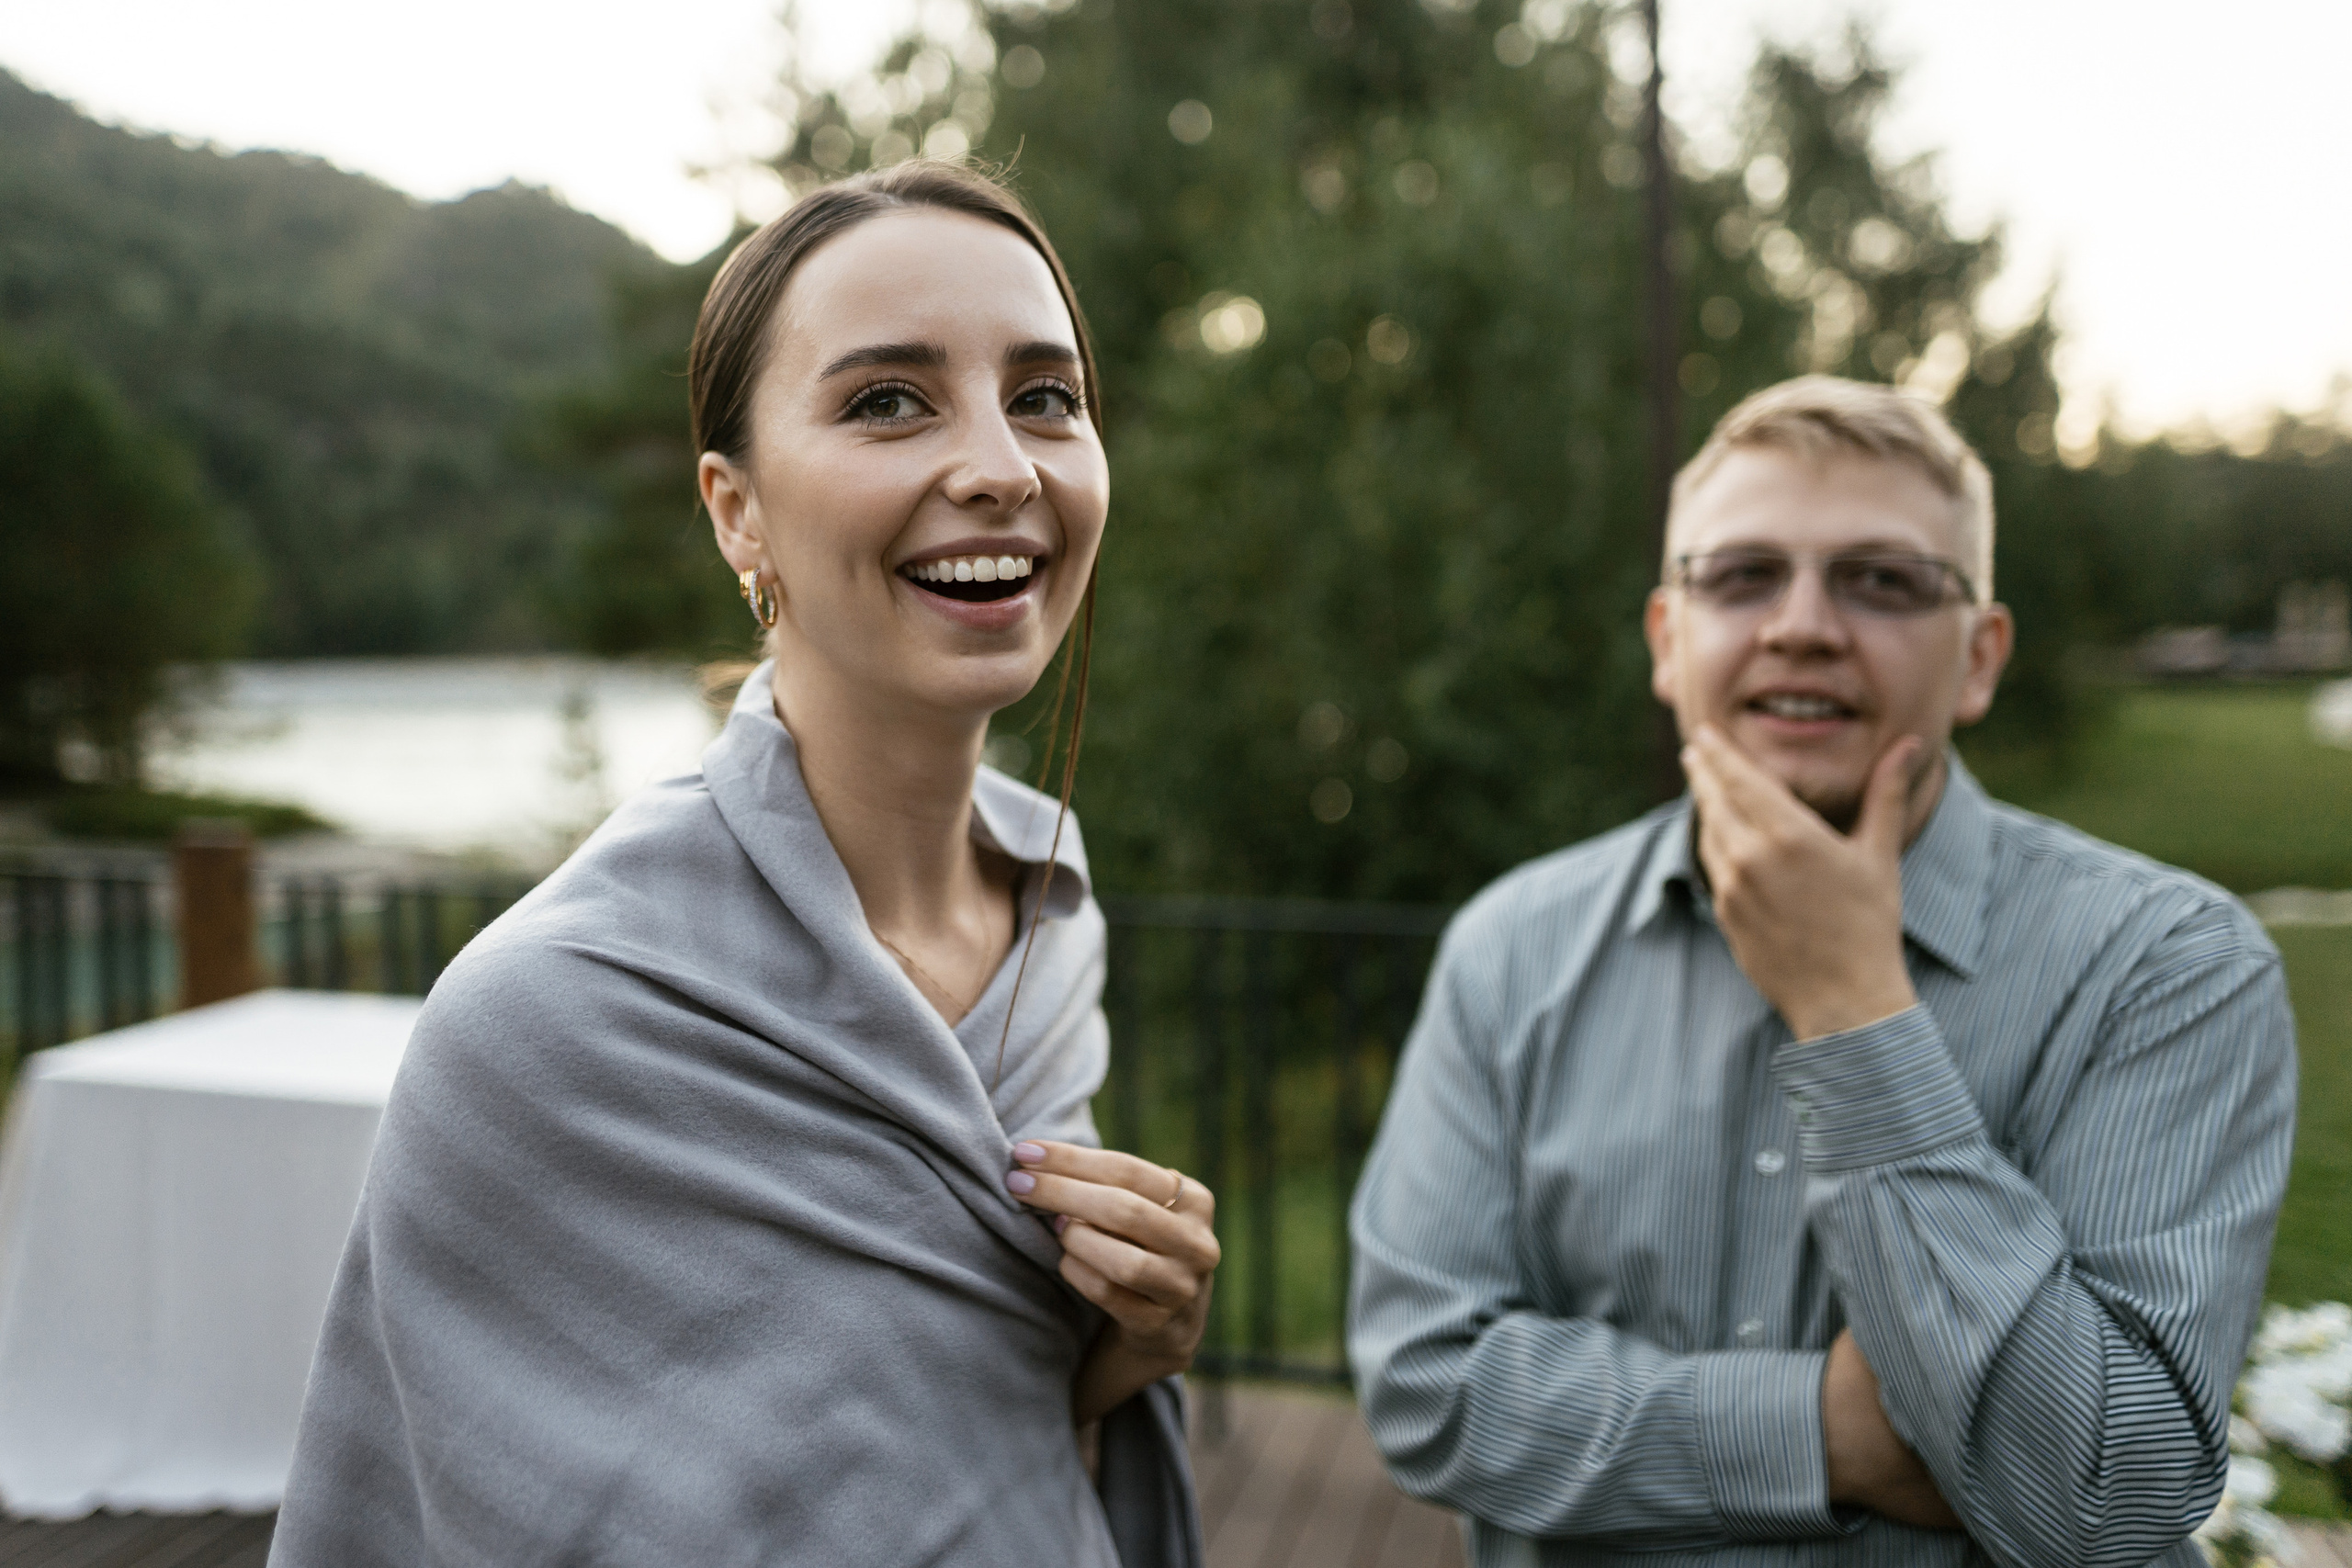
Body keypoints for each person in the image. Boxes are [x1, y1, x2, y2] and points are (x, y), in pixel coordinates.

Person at [273, 162, 1216, 1567]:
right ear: (736, 510)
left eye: (1046, 397)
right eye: (888, 399)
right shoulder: (544, 1020)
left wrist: (1138, 1344)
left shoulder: (1054, 903)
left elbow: (946, 1415)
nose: (1002, 466)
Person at [1348, 376, 2297, 1566]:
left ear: (1980, 659)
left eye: (1883, 581)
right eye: (1742, 576)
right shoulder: (1512, 947)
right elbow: (1426, 1390)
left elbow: (2106, 1495)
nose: (1802, 623)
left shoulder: (2170, 967)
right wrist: (1820, 1436)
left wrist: (1852, 1006)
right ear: (1666, 639)